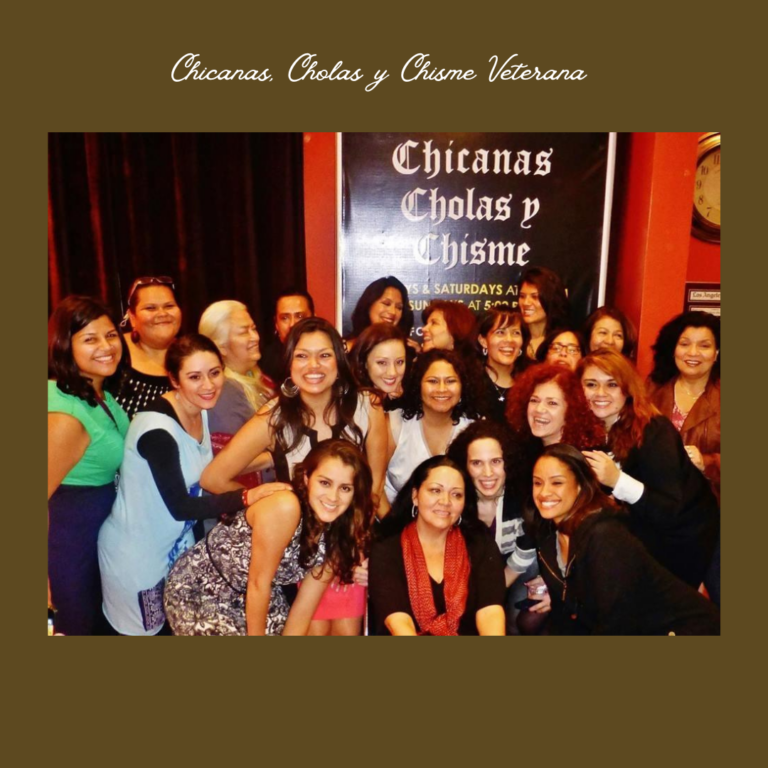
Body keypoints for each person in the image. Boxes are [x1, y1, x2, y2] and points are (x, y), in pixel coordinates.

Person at [200, 317, 386, 635]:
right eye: (302, 355)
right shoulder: (274, 418)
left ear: (338, 361)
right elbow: (213, 478)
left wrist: (363, 552)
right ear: (290, 362)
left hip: (348, 548)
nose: (313, 365)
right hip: (300, 554)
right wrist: (268, 499)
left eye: (324, 355)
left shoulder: (368, 407)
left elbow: (374, 488)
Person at [98, 334, 287, 635]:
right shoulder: (156, 431)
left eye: (214, 373)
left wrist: (273, 459)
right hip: (137, 559)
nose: (208, 385)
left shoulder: (200, 410)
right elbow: (181, 506)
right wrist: (249, 496)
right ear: (174, 379)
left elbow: (203, 471)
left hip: (175, 551)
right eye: (194, 377)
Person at [164, 440, 373, 635]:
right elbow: (258, 583)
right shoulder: (285, 506)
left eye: (345, 488)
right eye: (325, 483)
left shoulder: (337, 536)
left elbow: (303, 609)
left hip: (255, 595)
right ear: (307, 478)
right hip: (202, 590)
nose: (333, 497)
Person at [528, 444, 719, 635]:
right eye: (537, 483)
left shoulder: (604, 535)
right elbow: (565, 615)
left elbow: (618, 623)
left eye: (557, 483)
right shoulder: (546, 538)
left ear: (579, 486)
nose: (544, 493)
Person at [579, 348, 719, 588]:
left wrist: (618, 481)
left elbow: (668, 508)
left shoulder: (654, 430)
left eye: (612, 385)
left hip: (683, 541)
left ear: (628, 389)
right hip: (637, 538)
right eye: (591, 384)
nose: (600, 393)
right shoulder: (588, 429)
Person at [48, 296, 130, 635]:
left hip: (93, 540)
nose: (106, 346)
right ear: (65, 346)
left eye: (111, 335)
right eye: (90, 338)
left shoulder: (97, 392)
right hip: (68, 547)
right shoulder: (64, 416)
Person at [369, 456, 506, 635]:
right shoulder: (387, 548)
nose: (445, 501)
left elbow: (490, 613)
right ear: (415, 496)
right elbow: (399, 623)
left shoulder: (479, 542)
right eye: (435, 490)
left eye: (456, 494)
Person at [447, 421, 548, 635]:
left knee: (518, 623)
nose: (487, 473)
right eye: (476, 463)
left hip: (517, 570)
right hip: (468, 579)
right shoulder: (451, 499)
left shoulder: (524, 496)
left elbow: (528, 548)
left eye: (496, 461)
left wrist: (493, 594)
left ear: (508, 462)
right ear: (464, 465)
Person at [383, 349, 483, 507]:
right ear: (418, 385)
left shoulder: (477, 429)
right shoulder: (394, 424)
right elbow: (372, 484)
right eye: (433, 381)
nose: (442, 389)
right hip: (395, 524)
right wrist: (390, 527)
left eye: (450, 381)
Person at [648, 311, 720, 497]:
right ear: (673, 350)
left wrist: (707, 462)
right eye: (684, 344)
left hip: (711, 505)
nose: (693, 352)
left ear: (716, 353)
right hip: (655, 499)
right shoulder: (651, 389)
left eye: (704, 345)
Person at [198, 299, 274, 453]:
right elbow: (227, 461)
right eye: (244, 332)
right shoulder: (225, 391)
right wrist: (279, 458)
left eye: (254, 329)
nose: (255, 337)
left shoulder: (258, 377)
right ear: (221, 347)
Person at [505, 363, 605, 475]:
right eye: (534, 400)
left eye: (552, 403)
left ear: (571, 410)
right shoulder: (521, 454)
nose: (539, 409)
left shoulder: (587, 460)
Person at [113, 276, 182, 418]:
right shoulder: (114, 352)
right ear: (132, 317)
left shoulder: (191, 352)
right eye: (150, 308)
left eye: (169, 306)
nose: (162, 314)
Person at [476, 305, 530, 421]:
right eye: (500, 332)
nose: (509, 340)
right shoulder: (470, 381)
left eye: (515, 333)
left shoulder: (532, 381)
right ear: (483, 341)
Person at [258, 287, 314, 382]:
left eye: (299, 316)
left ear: (313, 319)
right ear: (276, 323)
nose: (292, 324)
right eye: (284, 318)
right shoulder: (265, 362)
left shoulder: (329, 354)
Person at [347, 276, 414, 351]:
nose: (393, 312)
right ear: (369, 304)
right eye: (386, 303)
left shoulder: (407, 350)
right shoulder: (345, 349)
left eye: (399, 307)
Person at [518, 266, 572, 358]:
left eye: (534, 297)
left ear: (550, 300)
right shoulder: (514, 339)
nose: (526, 303)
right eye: (522, 296)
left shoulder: (563, 340)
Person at [349, 322, 408, 403]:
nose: (392, 372)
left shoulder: (404, 398)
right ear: (364, 363)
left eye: (399, 362)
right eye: (382, 363)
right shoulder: (364, 401)